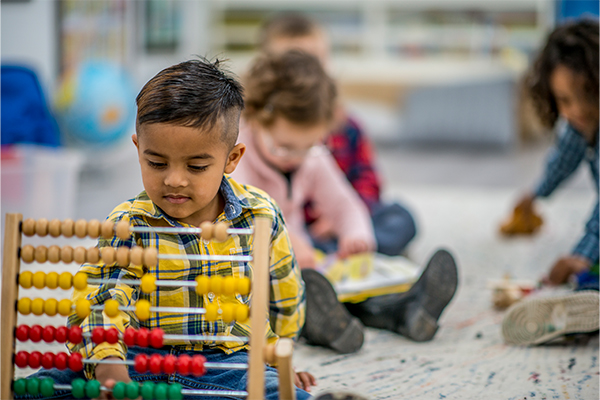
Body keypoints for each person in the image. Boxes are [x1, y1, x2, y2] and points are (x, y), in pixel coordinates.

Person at [16, 58, 315, 399]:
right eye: (156, 163)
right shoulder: (131, 223)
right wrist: (111, 369)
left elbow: (284, 296)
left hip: (229, 365)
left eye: (197, 166)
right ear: (138, 149)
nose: (174, 180)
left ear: (232, 159)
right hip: (138, 359)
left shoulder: (260, 215)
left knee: (289, 395)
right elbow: (104, 299)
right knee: (33, 388)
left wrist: (282, 358)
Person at [231, 50, 458, 355]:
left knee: (352, 273)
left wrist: (355, 236)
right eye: (283, 147)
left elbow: (345, 205)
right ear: (254, 118)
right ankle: (322, 323)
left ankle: (405, 310)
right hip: (253, 272)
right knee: (295, 295)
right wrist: (284, 245)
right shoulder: (237, 156)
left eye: (309, 145)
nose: (296, 158)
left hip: (309, 260)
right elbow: (242, 218)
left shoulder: (313, 159)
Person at [258, 12, 417, 257]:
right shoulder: (246, 135)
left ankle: (345, 259)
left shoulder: (345, 127)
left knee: (400, 218)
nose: (305, 75)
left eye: (314, 62)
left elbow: (362, 186)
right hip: (281, 237)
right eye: (293, 64)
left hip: (330, 227)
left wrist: (347, 229)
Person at [501, 20, 599, 346]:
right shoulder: (581, 121)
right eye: (565, 100)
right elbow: (563, 159)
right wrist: (535, 195)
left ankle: (586, 304)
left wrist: (583, 255)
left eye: (587, 96)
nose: (578, 110)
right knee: (587, 278)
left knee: (588, 278)